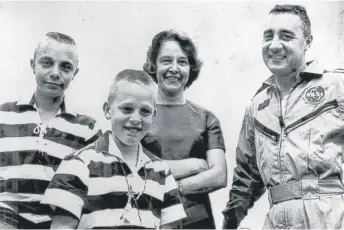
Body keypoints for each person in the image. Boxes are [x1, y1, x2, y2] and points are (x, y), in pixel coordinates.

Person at [222, 4, 344, 229]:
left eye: (286, 36)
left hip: (330, 216)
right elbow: (247, 177)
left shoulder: (335, 86)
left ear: (307, 42)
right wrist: (229, 222)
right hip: (277, 219)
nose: (274, 45)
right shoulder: (257, 106)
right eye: (268, 36)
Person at [41, 69, 186, 229]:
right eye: (127, 109)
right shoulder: (78, 164)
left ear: (154, 116)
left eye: (145, 111)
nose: (136, 119)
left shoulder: (161, 172)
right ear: (107, 110)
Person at [0, 32, 102, 229]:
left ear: (75, 73)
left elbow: (93, 189)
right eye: (47, 63)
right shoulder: (4, 116)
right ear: (33, 64)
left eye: (65, 67)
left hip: (57, 221)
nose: (55, 73)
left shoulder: (87, 129)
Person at [141, 30, 227, 229]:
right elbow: (136, 170)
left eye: (182, 62)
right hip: (150, 219)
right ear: (154, 66)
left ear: (191, 68)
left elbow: (219, 175)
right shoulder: (140, 114)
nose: (174, 69)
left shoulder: (206, 118)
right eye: (166, 61)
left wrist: (170, 187)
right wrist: (195, 165)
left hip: (198, 222)